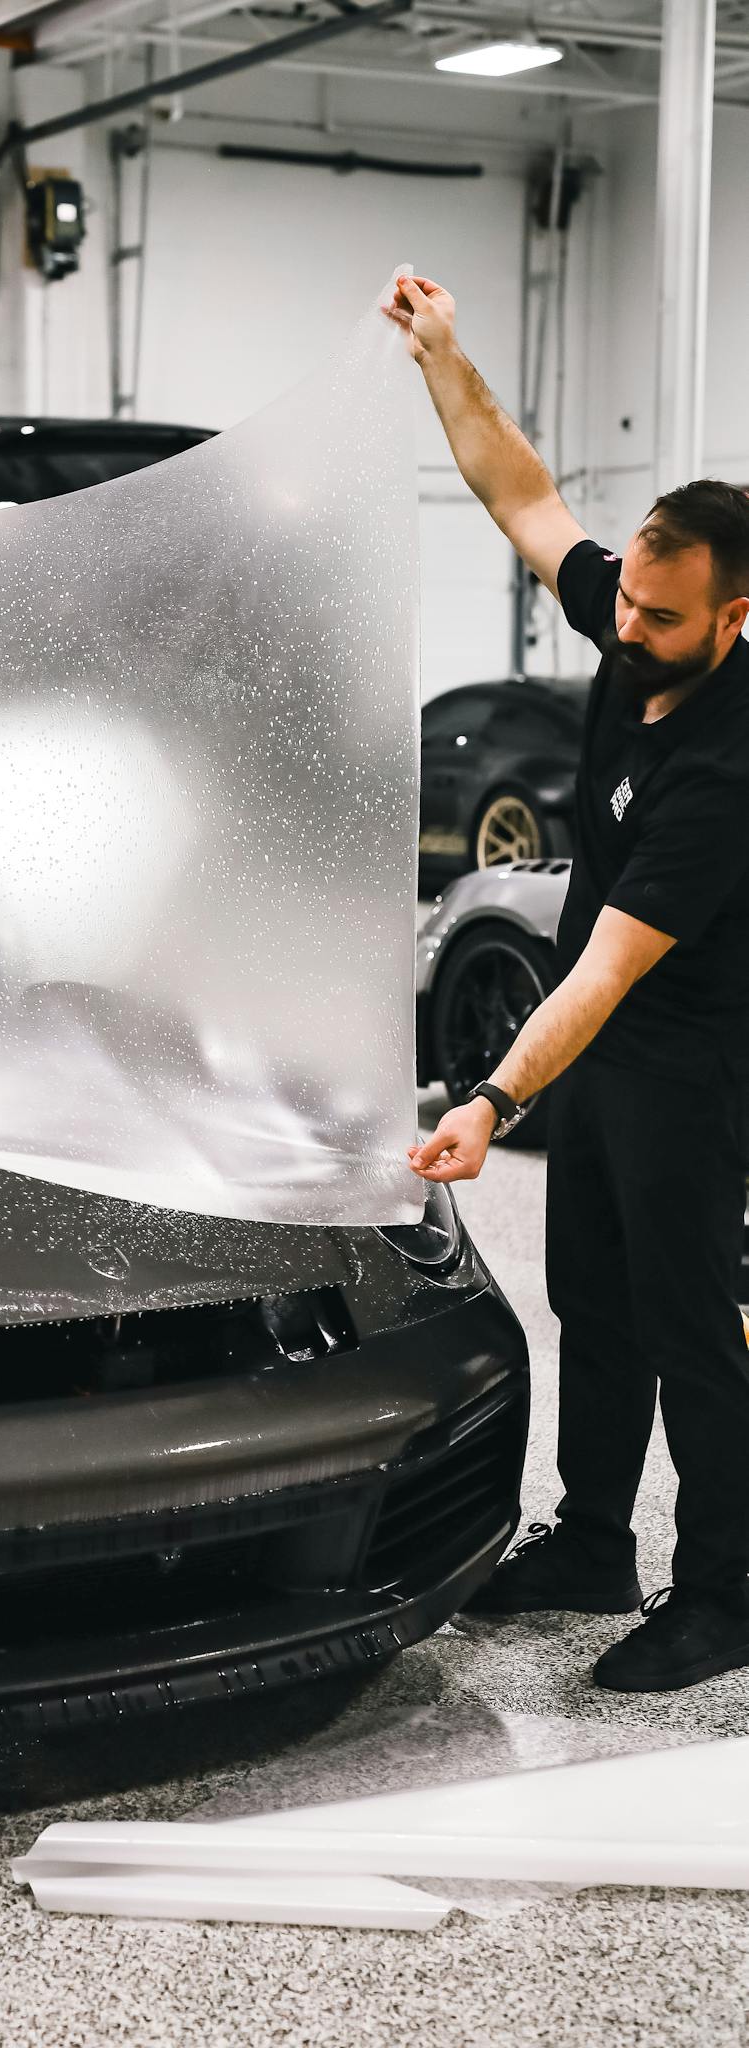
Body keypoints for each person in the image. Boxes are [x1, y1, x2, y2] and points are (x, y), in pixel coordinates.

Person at [388, 277, 749, 1695]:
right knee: (592, 1306)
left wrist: (489, 1096)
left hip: (688, 1063)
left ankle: (722, 1593)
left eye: (660, 616)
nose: (625, 628)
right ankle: (595, 1541)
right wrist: (444, 358)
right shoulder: (633, 618)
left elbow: (602, 971)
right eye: (627, 602)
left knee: (690, 1330)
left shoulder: (726, 766)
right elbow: (522, 495)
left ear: (734, 617)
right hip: (606, 1054)